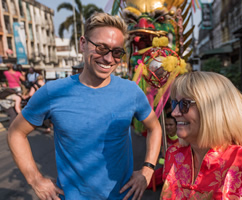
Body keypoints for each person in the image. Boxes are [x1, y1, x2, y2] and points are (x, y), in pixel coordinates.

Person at [7, 12, 162, 200]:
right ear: (83, 44)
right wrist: (35, 180)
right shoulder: (53, 92)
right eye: (101, 48)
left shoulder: (131, 91)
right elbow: (16, 133)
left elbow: (154, 128)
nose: (108, 59)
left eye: (116, 52)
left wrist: (147, 170)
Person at [160, 71, 242, 199]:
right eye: (174, 103)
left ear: (213, 110)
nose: (174, 113)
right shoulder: (174, 153)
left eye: (184, 104)